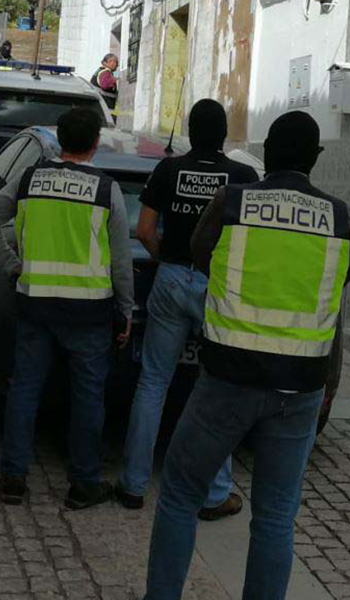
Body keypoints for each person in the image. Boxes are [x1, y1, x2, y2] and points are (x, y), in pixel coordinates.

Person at [142, 111, 350, 600]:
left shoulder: (234, 201)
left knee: (179, 492)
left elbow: (199, 253)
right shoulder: (340, 217)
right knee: (277, 515)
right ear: (315, 159)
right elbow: (341, 283)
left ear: (266, 153)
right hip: (300, 386)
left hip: (228, 377)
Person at [0, 107, 134, 510]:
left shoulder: (30, 180)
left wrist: (13, 266)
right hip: (89, 314)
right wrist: (126, 311)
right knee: (87, 398)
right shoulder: (106, 189)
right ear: (96, 143)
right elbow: (120, 262)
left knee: (25, 390)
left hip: (36, 306)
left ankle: (13, 478)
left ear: (60, 140)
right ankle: (83, 483)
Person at [114, 99, 260, 519]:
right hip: (219, 287)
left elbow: (143, 230)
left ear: (191, 132)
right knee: (220, 387)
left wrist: (166, 263)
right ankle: (215, 495)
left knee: (154, 382)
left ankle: (133, 485)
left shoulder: (168, 169)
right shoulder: (241, 176)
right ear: (223, 133)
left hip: (173, 278)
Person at [91, 53, 119, 121]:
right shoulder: (105, 72)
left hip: (101, 108)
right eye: (111, 61)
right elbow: (105, 85)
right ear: (105, 62)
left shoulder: (103, 71)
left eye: (115, 61)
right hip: (104, 109)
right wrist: (116, 77)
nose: (114, 63)